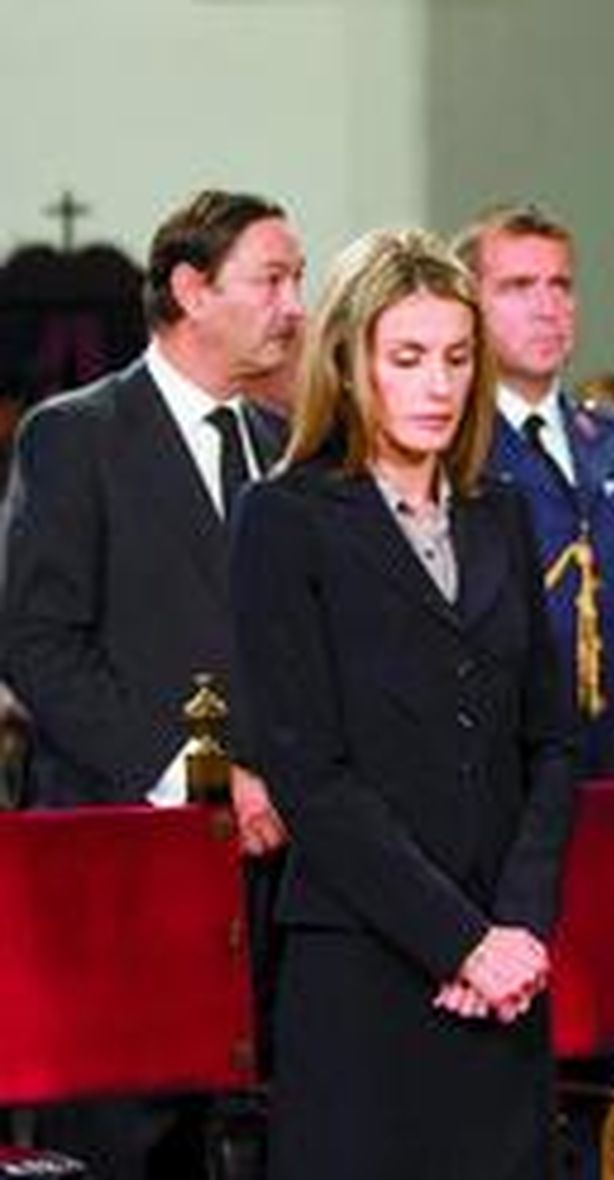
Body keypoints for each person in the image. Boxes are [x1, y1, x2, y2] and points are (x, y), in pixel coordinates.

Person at [230, 228, 576, 1178]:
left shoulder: (501, 512)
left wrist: (517, 928)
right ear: (351, 365)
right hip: (365, 960)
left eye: (457, 358)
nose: (438, 385)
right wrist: (460, 942)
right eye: (409, 357)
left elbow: (550, 741)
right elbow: (308, 771)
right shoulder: (285, 518)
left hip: (507, 969)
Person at [0, 189, 303, 1179]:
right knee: (127, 1142)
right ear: (191, 289)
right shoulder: (74, 434)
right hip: (122, 861)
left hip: (274, 868)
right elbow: (36, 643)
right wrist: (198, 780)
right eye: (272, 278)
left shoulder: (283, 445)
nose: (295, 305)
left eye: (297, 280)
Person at [456, 205, 614, 778]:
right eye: (518, 287)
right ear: (467, 307)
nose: (548, 307)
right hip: (506, 784)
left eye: (560, 285)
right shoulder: (451, 451)